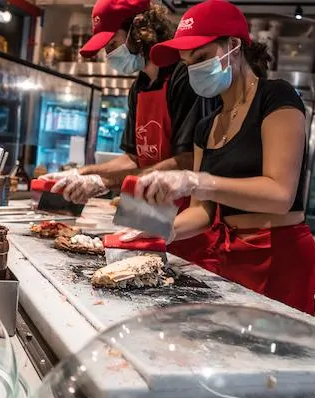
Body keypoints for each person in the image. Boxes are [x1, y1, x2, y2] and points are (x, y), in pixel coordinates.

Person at [131, 0, 315, 314]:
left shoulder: (276, 97)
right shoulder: (206, 127)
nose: (194, 69)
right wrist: (166, 231)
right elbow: (203, 213)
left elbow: (279, 195)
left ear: (234, 46)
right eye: (187, 62)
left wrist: (196, 180)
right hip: (231, 261)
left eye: (202, 57)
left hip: (282, 259)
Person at [42, 0, 220, 270]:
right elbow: (134, 158)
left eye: (112, 44)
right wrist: (82, 173)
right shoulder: (140, 85)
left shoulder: (185, 77)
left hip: (186, 220)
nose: (108, 54)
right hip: (147, 213)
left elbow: (187, 161)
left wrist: (103, 180)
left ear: (140, 31)